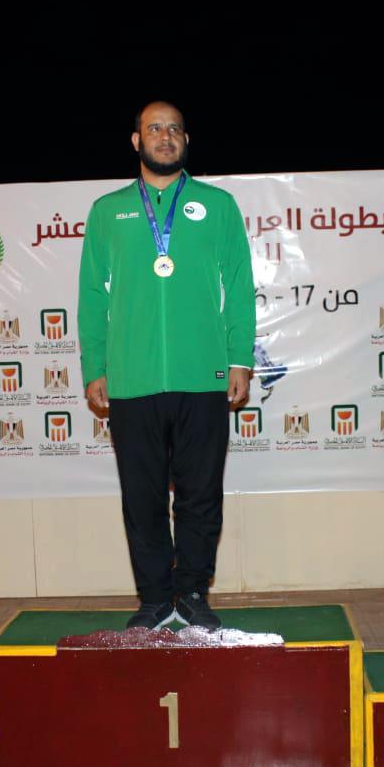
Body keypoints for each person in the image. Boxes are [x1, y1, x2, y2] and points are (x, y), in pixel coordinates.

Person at [77, 101, 255, 631]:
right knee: (143, 497)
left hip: (203, 377)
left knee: (201, 495)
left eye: (174, 128)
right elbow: (91, 296)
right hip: (131, 380)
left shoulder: (218, 205)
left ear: (186, 140)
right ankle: (155, 598)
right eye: (154, 128)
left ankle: (193, 593)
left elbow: (239, 286)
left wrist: (239, 359)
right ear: (136, 141)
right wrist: (95, 365)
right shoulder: (107, 211)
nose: (165, 136)